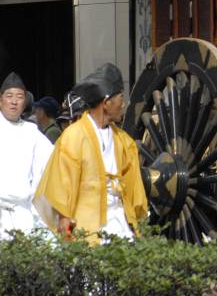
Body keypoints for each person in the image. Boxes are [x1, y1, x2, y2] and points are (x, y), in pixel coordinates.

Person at [34, 63, 147, 242]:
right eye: (120, 97)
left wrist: (138, 220)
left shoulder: (124, 141)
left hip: (120, 221)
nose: (123, 103)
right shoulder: (74, 136)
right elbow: (62, 182)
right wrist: (64, 218)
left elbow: (134, 189)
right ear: (106, 102)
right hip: (86, 223)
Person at [0, 73, 54, 237]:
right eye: (9, 96)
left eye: (19, 97)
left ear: (25, 102)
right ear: (1, 100)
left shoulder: (31, 131)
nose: (14, 101)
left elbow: (53, 160)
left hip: (25, 213)